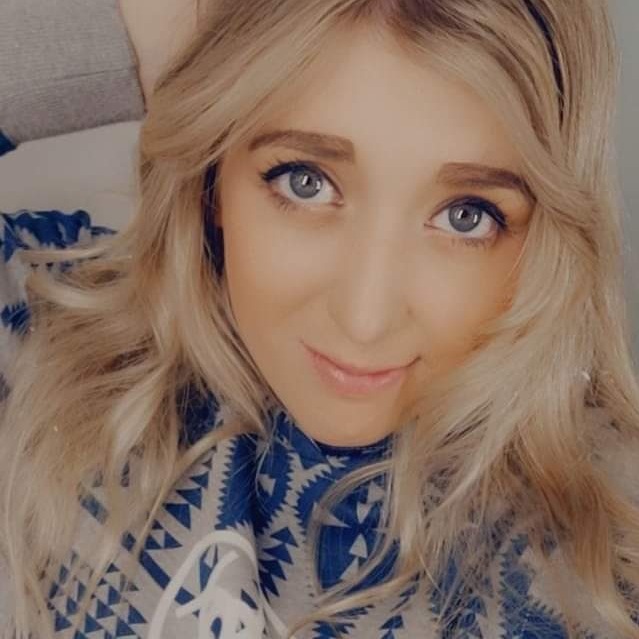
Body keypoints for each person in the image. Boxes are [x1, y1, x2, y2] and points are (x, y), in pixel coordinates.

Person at [1, 0, 638, 637]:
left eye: (465, 216)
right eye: (305, 182)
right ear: (212, 173)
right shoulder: (41, 342)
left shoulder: (608, 568)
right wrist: (172, 28)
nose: (365, 320)